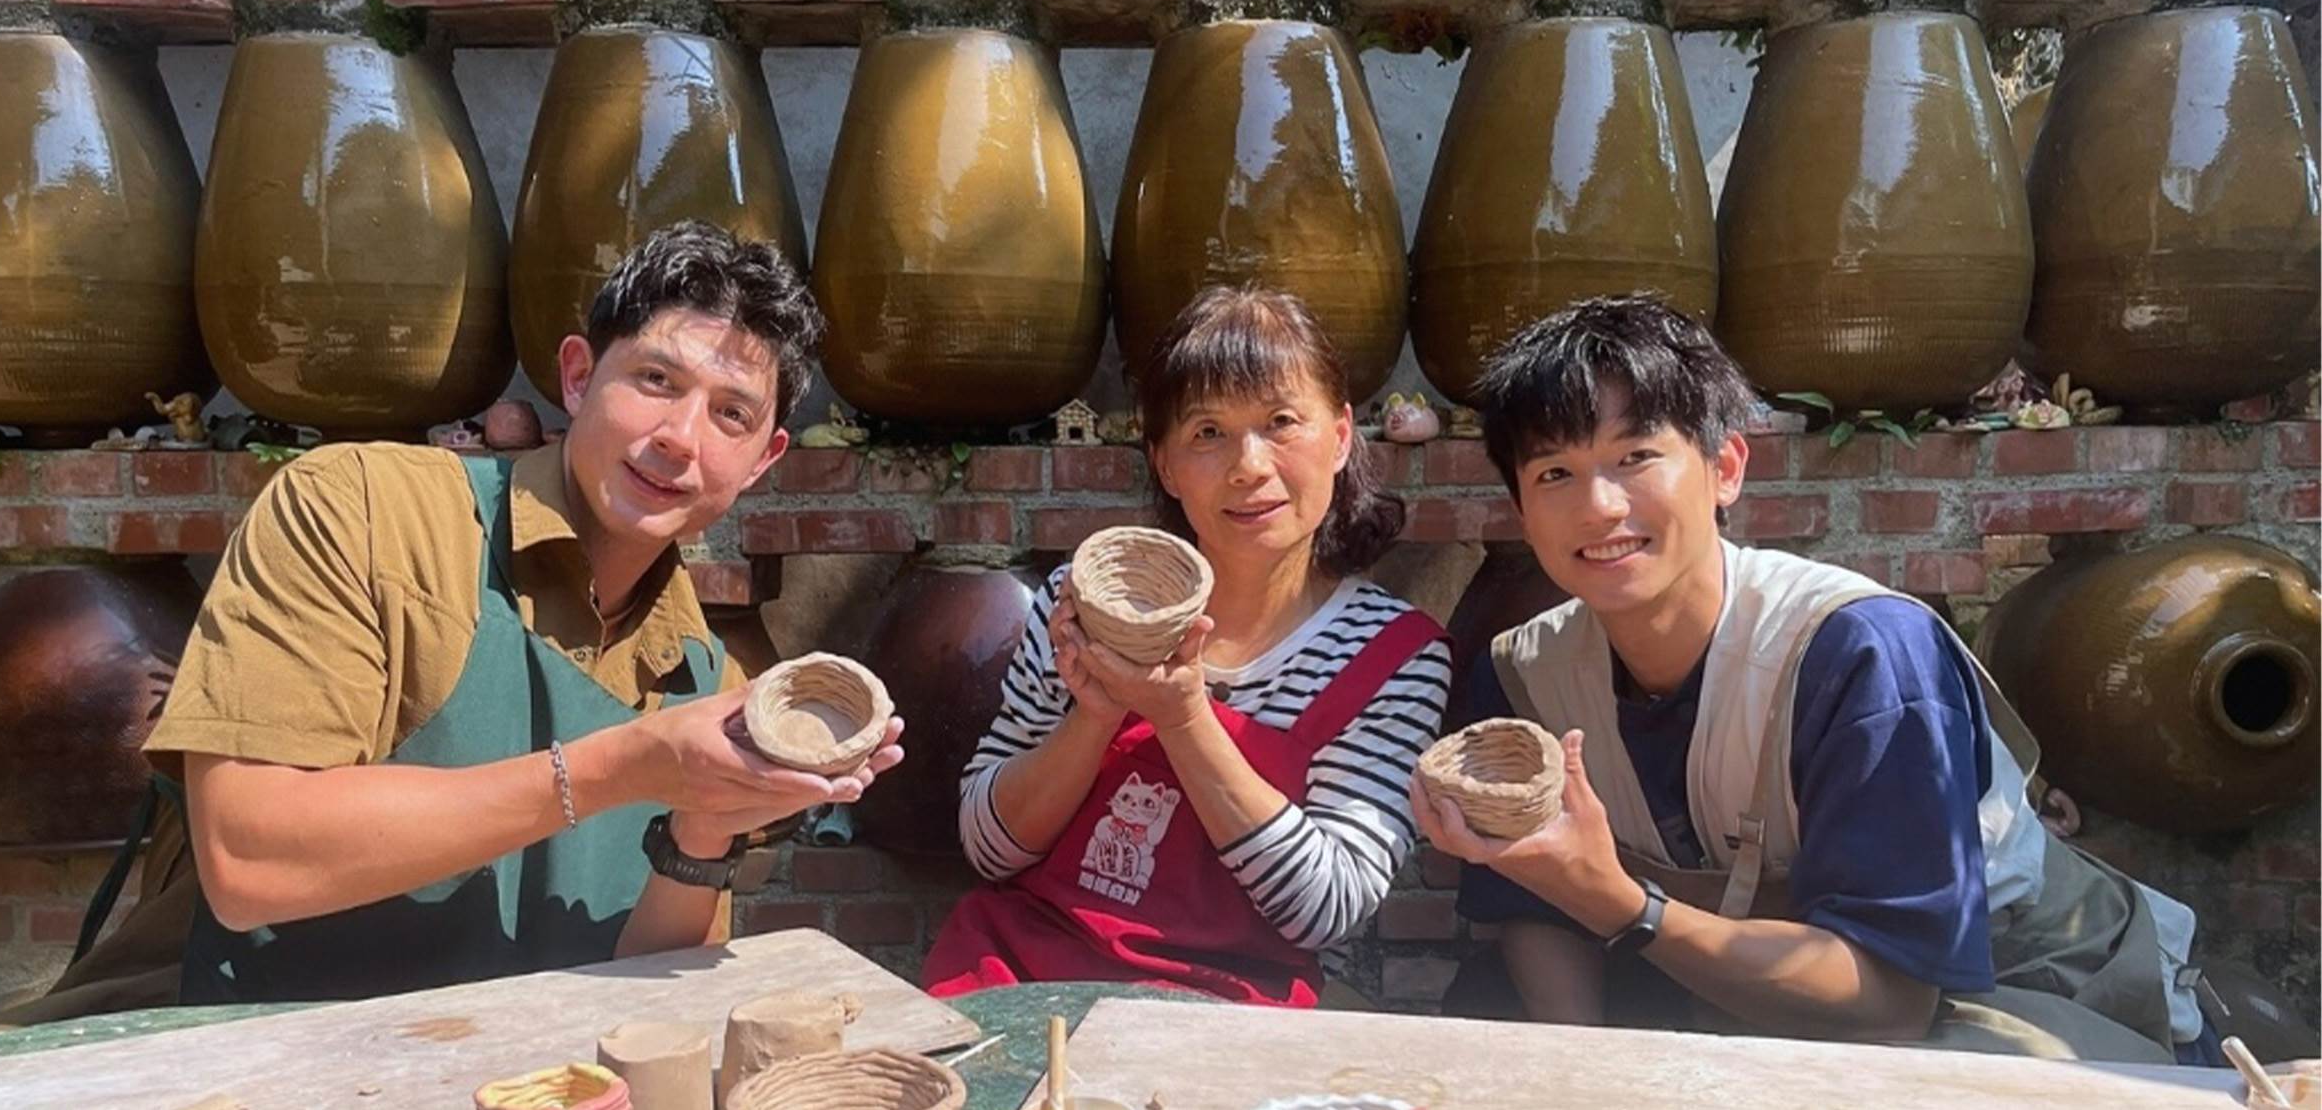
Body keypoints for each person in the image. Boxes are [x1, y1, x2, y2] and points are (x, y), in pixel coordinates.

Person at [5, 223, 903, 1017]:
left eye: (731, 414)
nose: (680, 435)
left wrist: (705, 831)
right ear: (580, 376)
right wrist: (623, 765)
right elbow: (249, 859)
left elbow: (657, 990)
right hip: (262, 1057)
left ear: (762, 460)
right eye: (656, 379)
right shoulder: (362, 511)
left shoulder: (705, 675)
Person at [1421, 293, 2212, 1064]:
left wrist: (1622, 905)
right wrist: (1586, 1074)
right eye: (1555, 473)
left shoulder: (1861, 655)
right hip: (1723, 979)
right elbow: (1534, 910)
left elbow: (1891, 1004)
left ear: (1725, 467)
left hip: (2006, 993)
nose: (1598, 507)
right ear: (1521, 510)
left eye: (1634, 457)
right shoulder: (1523, 675)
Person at [923, 286, 1454, 1006]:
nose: (1248, 465)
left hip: (1227, 1012)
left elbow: (1325, 908)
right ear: (1166, 464)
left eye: (1281, 422)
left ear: (1339, 437)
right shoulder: (1079, 603)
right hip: (1021, 977)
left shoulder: (1394, 657)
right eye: (1208, 432)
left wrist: (1182, 718)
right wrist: (1098, 710)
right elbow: (990, 849)